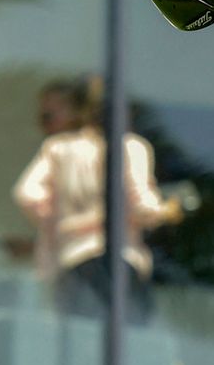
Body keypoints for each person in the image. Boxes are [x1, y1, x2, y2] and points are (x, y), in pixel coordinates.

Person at [12, 76, 182, 320]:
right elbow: (142, 207)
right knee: (127, 343)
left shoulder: (58, 148)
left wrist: (61, 225)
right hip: (118, 259)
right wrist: (169, 210)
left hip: (72, 263)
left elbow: (27, 194)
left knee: (78, 341)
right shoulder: (130, 147)